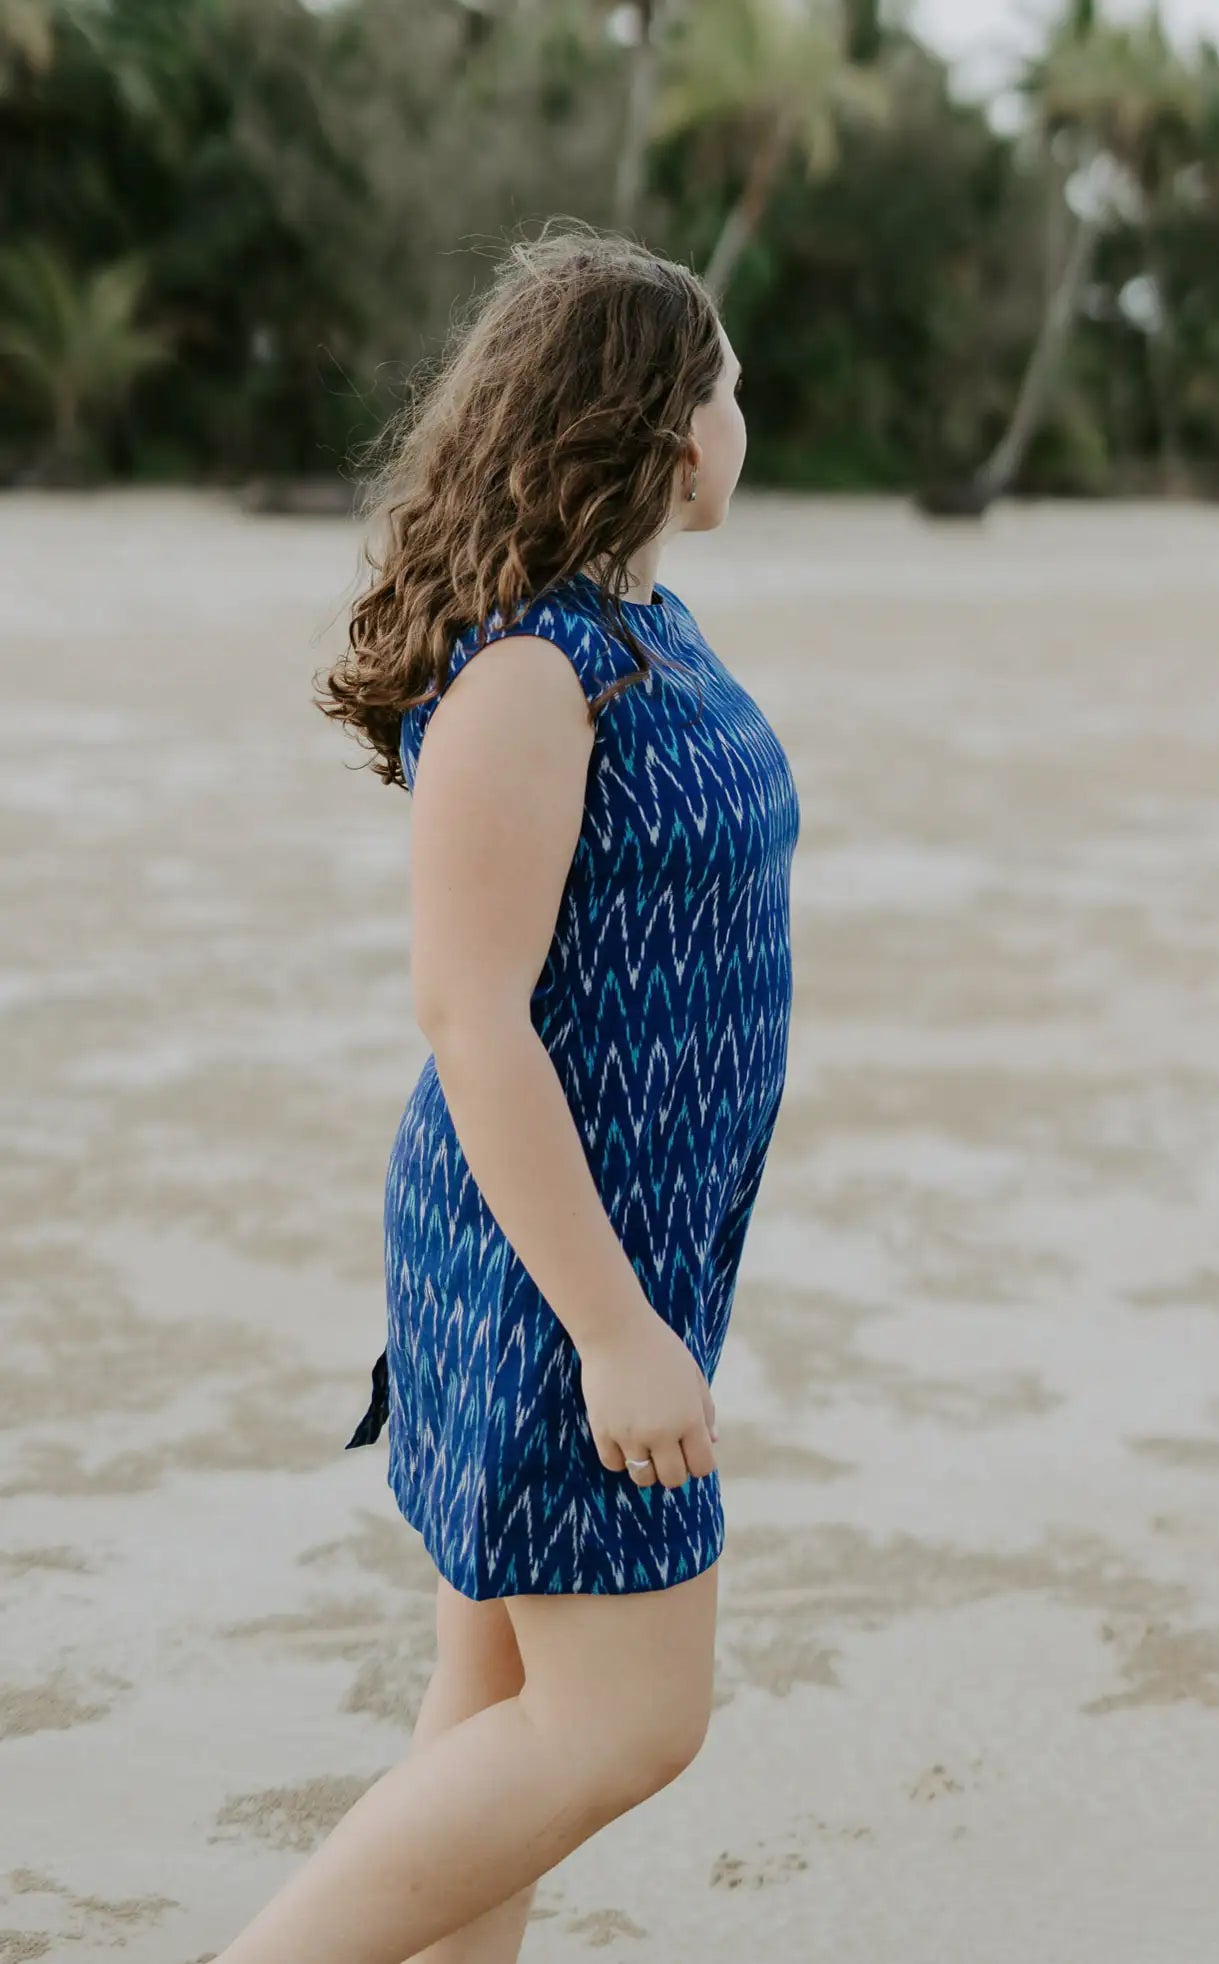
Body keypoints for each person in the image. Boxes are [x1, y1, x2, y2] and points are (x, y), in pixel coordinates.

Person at [214, 222, 800, 1964]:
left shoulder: (644, 630)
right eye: (728, 384)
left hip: (631, 1236)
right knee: (625, 1722)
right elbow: (472, 1017)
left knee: (496, 1710)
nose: (744, 415)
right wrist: (613, 1330)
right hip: (550, 1259)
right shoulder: (530, 676)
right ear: (662, 423)